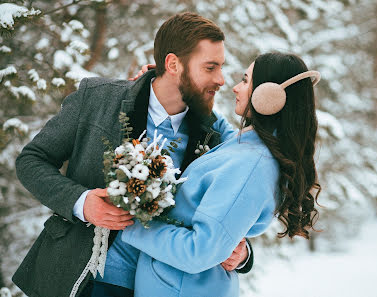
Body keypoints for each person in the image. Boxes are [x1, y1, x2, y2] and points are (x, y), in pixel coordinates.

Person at [12, 13, 253, 297]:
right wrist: (81, 202)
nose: (221, 80)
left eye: (221, 67)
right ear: (173, 64)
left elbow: (237, 206)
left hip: (161, 287)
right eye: (210, 68)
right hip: (79, 277)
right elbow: (31, 160)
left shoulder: (215, 135)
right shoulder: (98, 98)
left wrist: (243, 253)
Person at [122, 52, 322, 297]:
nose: (236, 88)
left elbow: (199, 252)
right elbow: (220, 128)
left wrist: (131, 224)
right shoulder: (252, 147)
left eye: (246, 81)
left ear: (269, 96)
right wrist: (169, 85)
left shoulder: (251, 166)